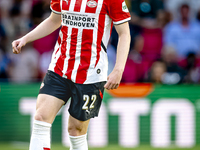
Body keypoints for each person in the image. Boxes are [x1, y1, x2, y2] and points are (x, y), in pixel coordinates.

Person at [12, 0, 131, 150]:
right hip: (59, 67)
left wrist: (118, 69)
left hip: (91, 73)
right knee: (40, 118)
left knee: (76, 131)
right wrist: (25, 38)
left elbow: (124, 33)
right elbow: (54, 20)